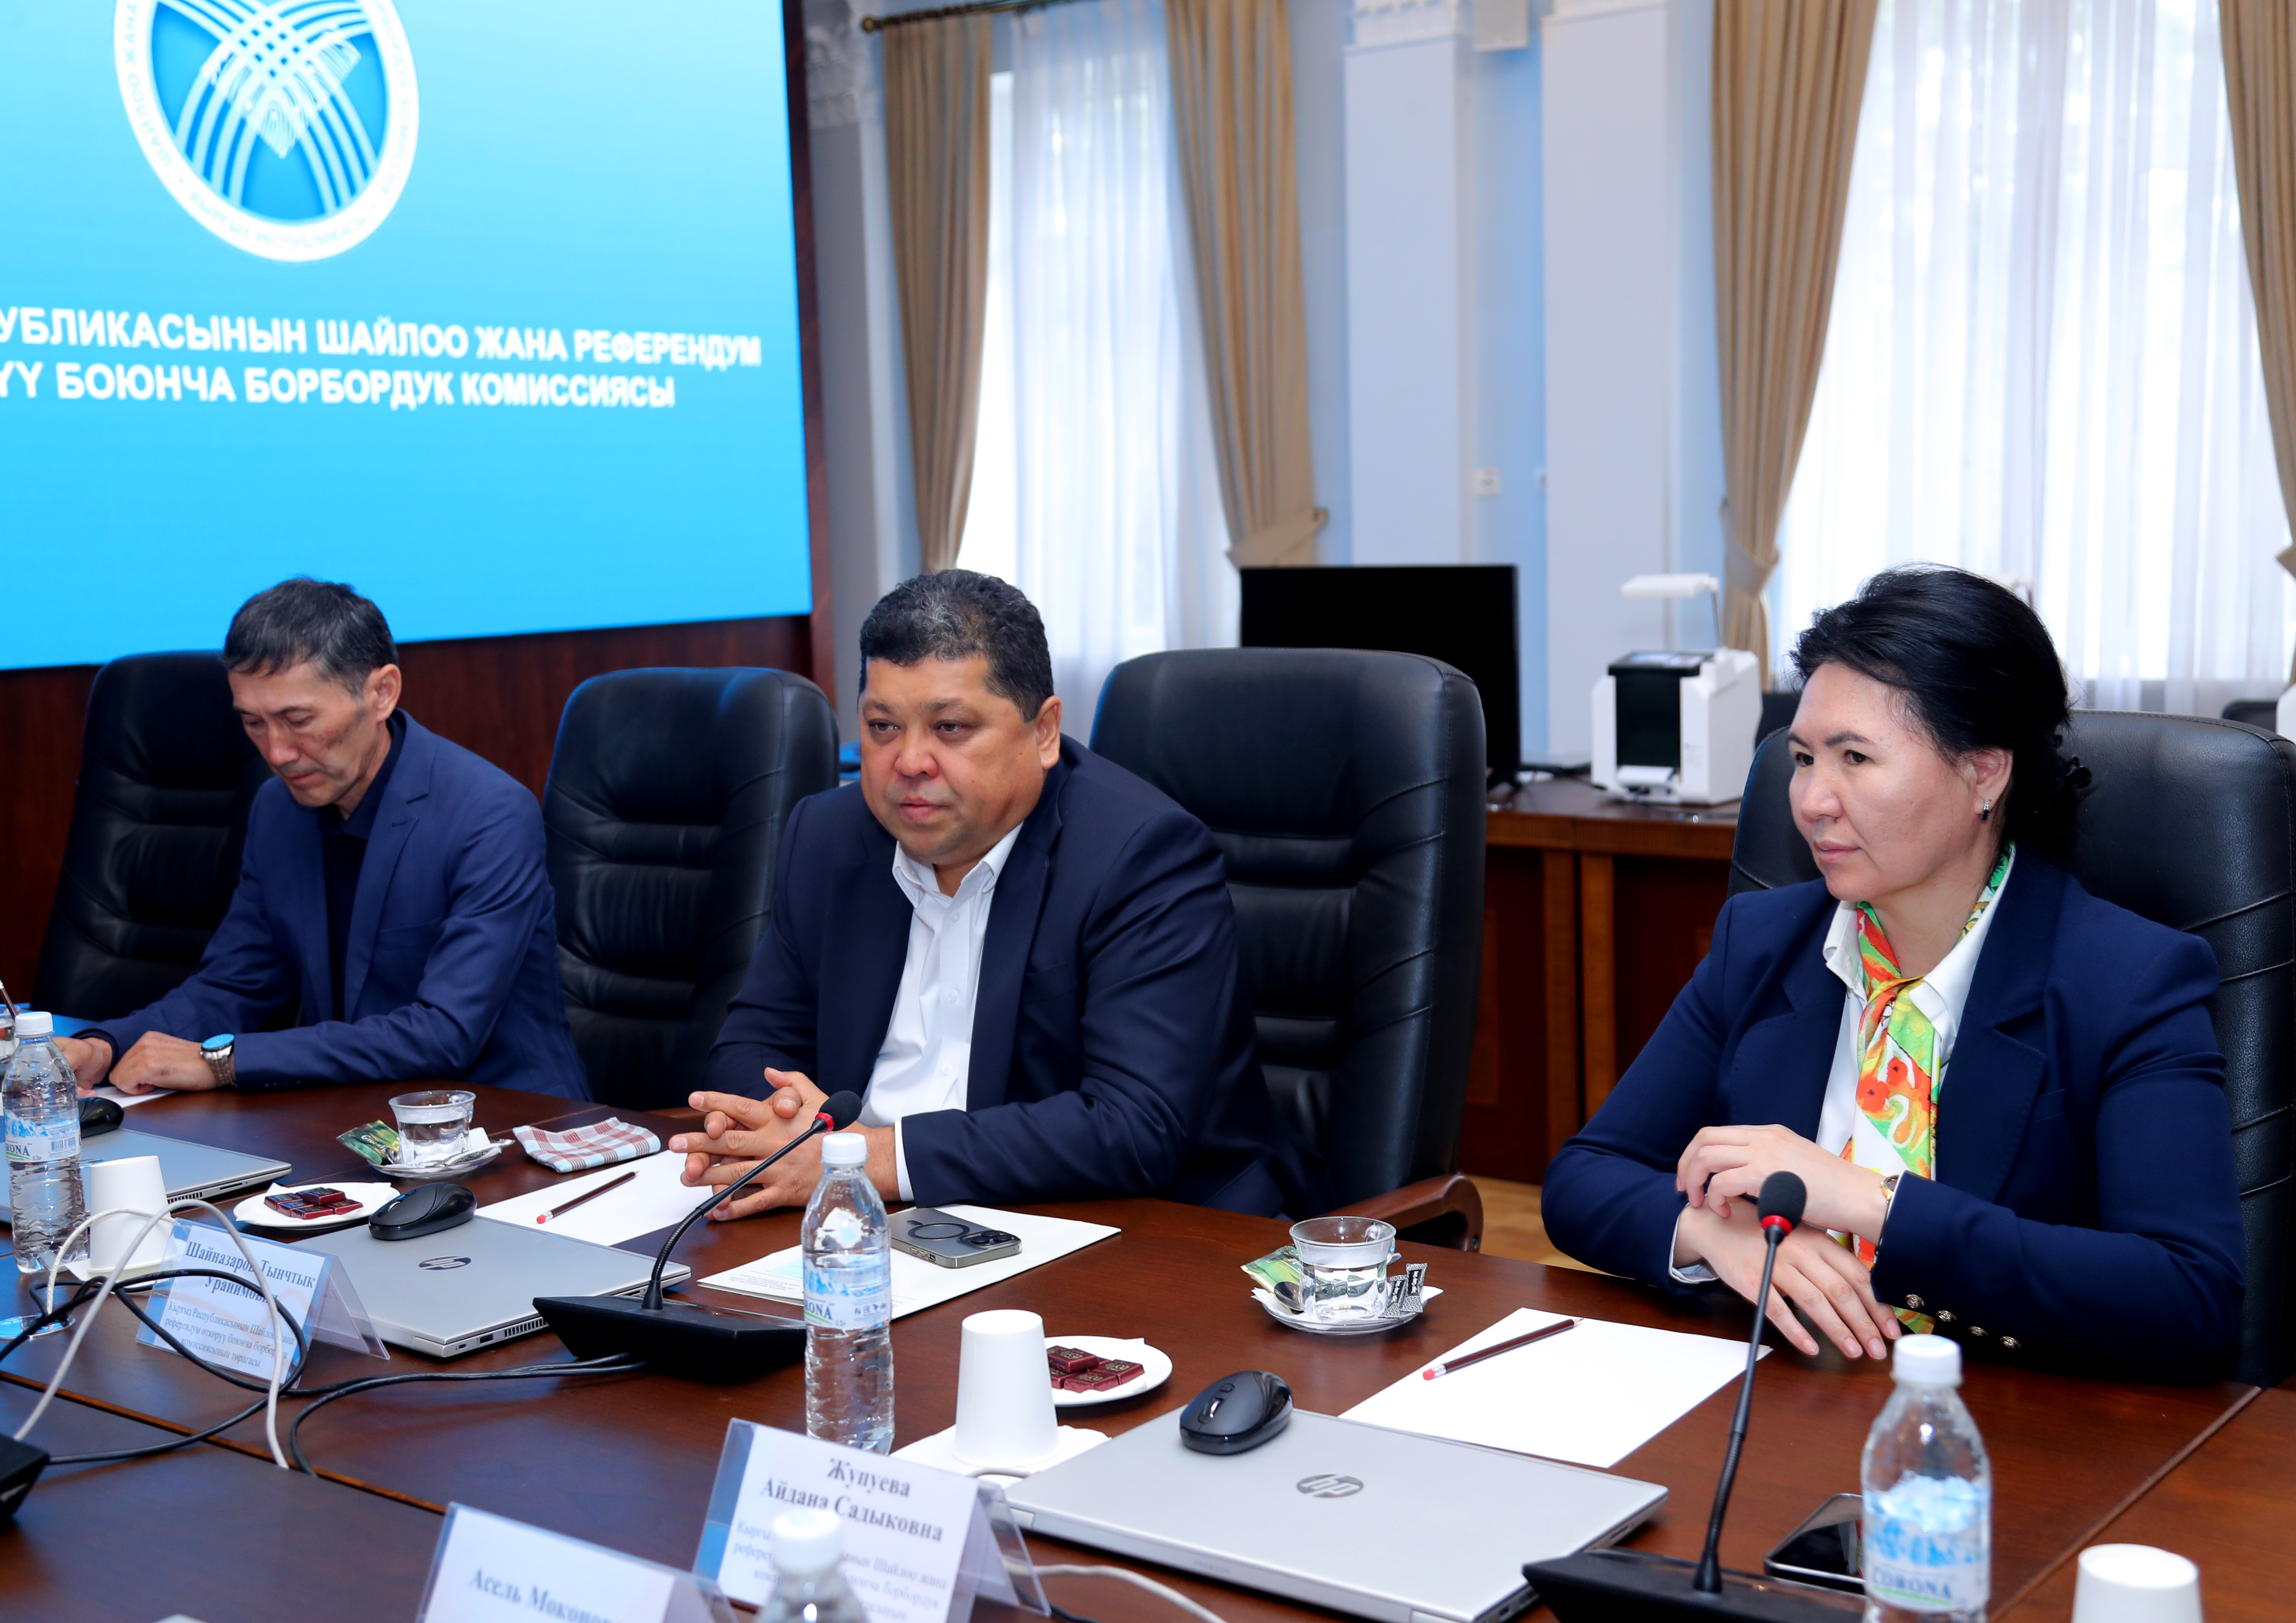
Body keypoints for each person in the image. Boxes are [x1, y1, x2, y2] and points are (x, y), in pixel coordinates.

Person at [1543, 565, 2244, 1382]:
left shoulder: (2128, 979)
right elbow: (1584, 1177)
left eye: (1855, 757)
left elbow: (2190, 1296)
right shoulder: (1764, 942)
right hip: (1788, 1399)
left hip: (2007, 1420)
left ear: (1984, 773)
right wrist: (1713, 1235)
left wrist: (1869, 1200)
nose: (1813, 799)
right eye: (1803, 757)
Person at [670, 569, 1308, 1217]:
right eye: (883, 726)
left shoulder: (1142, 855)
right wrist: (789, 1134)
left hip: (1118, 1227)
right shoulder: (827, 836)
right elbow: (748, 1048)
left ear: (1044, 732)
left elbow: (1135, 1127)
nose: (909, 762)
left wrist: (869, 1159)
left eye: (950, 728)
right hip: (865, 1217)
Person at [57, 579, 587, 1099]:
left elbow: (442, 1033)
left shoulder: (488, 813)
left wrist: (223, 1063)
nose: (278, 753)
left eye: (298, 720)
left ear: (381, 694)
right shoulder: (277, 810)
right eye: (254, 723)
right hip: (358, 1116)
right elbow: (235, 985)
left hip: (507, 1118)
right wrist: (105, 1047)